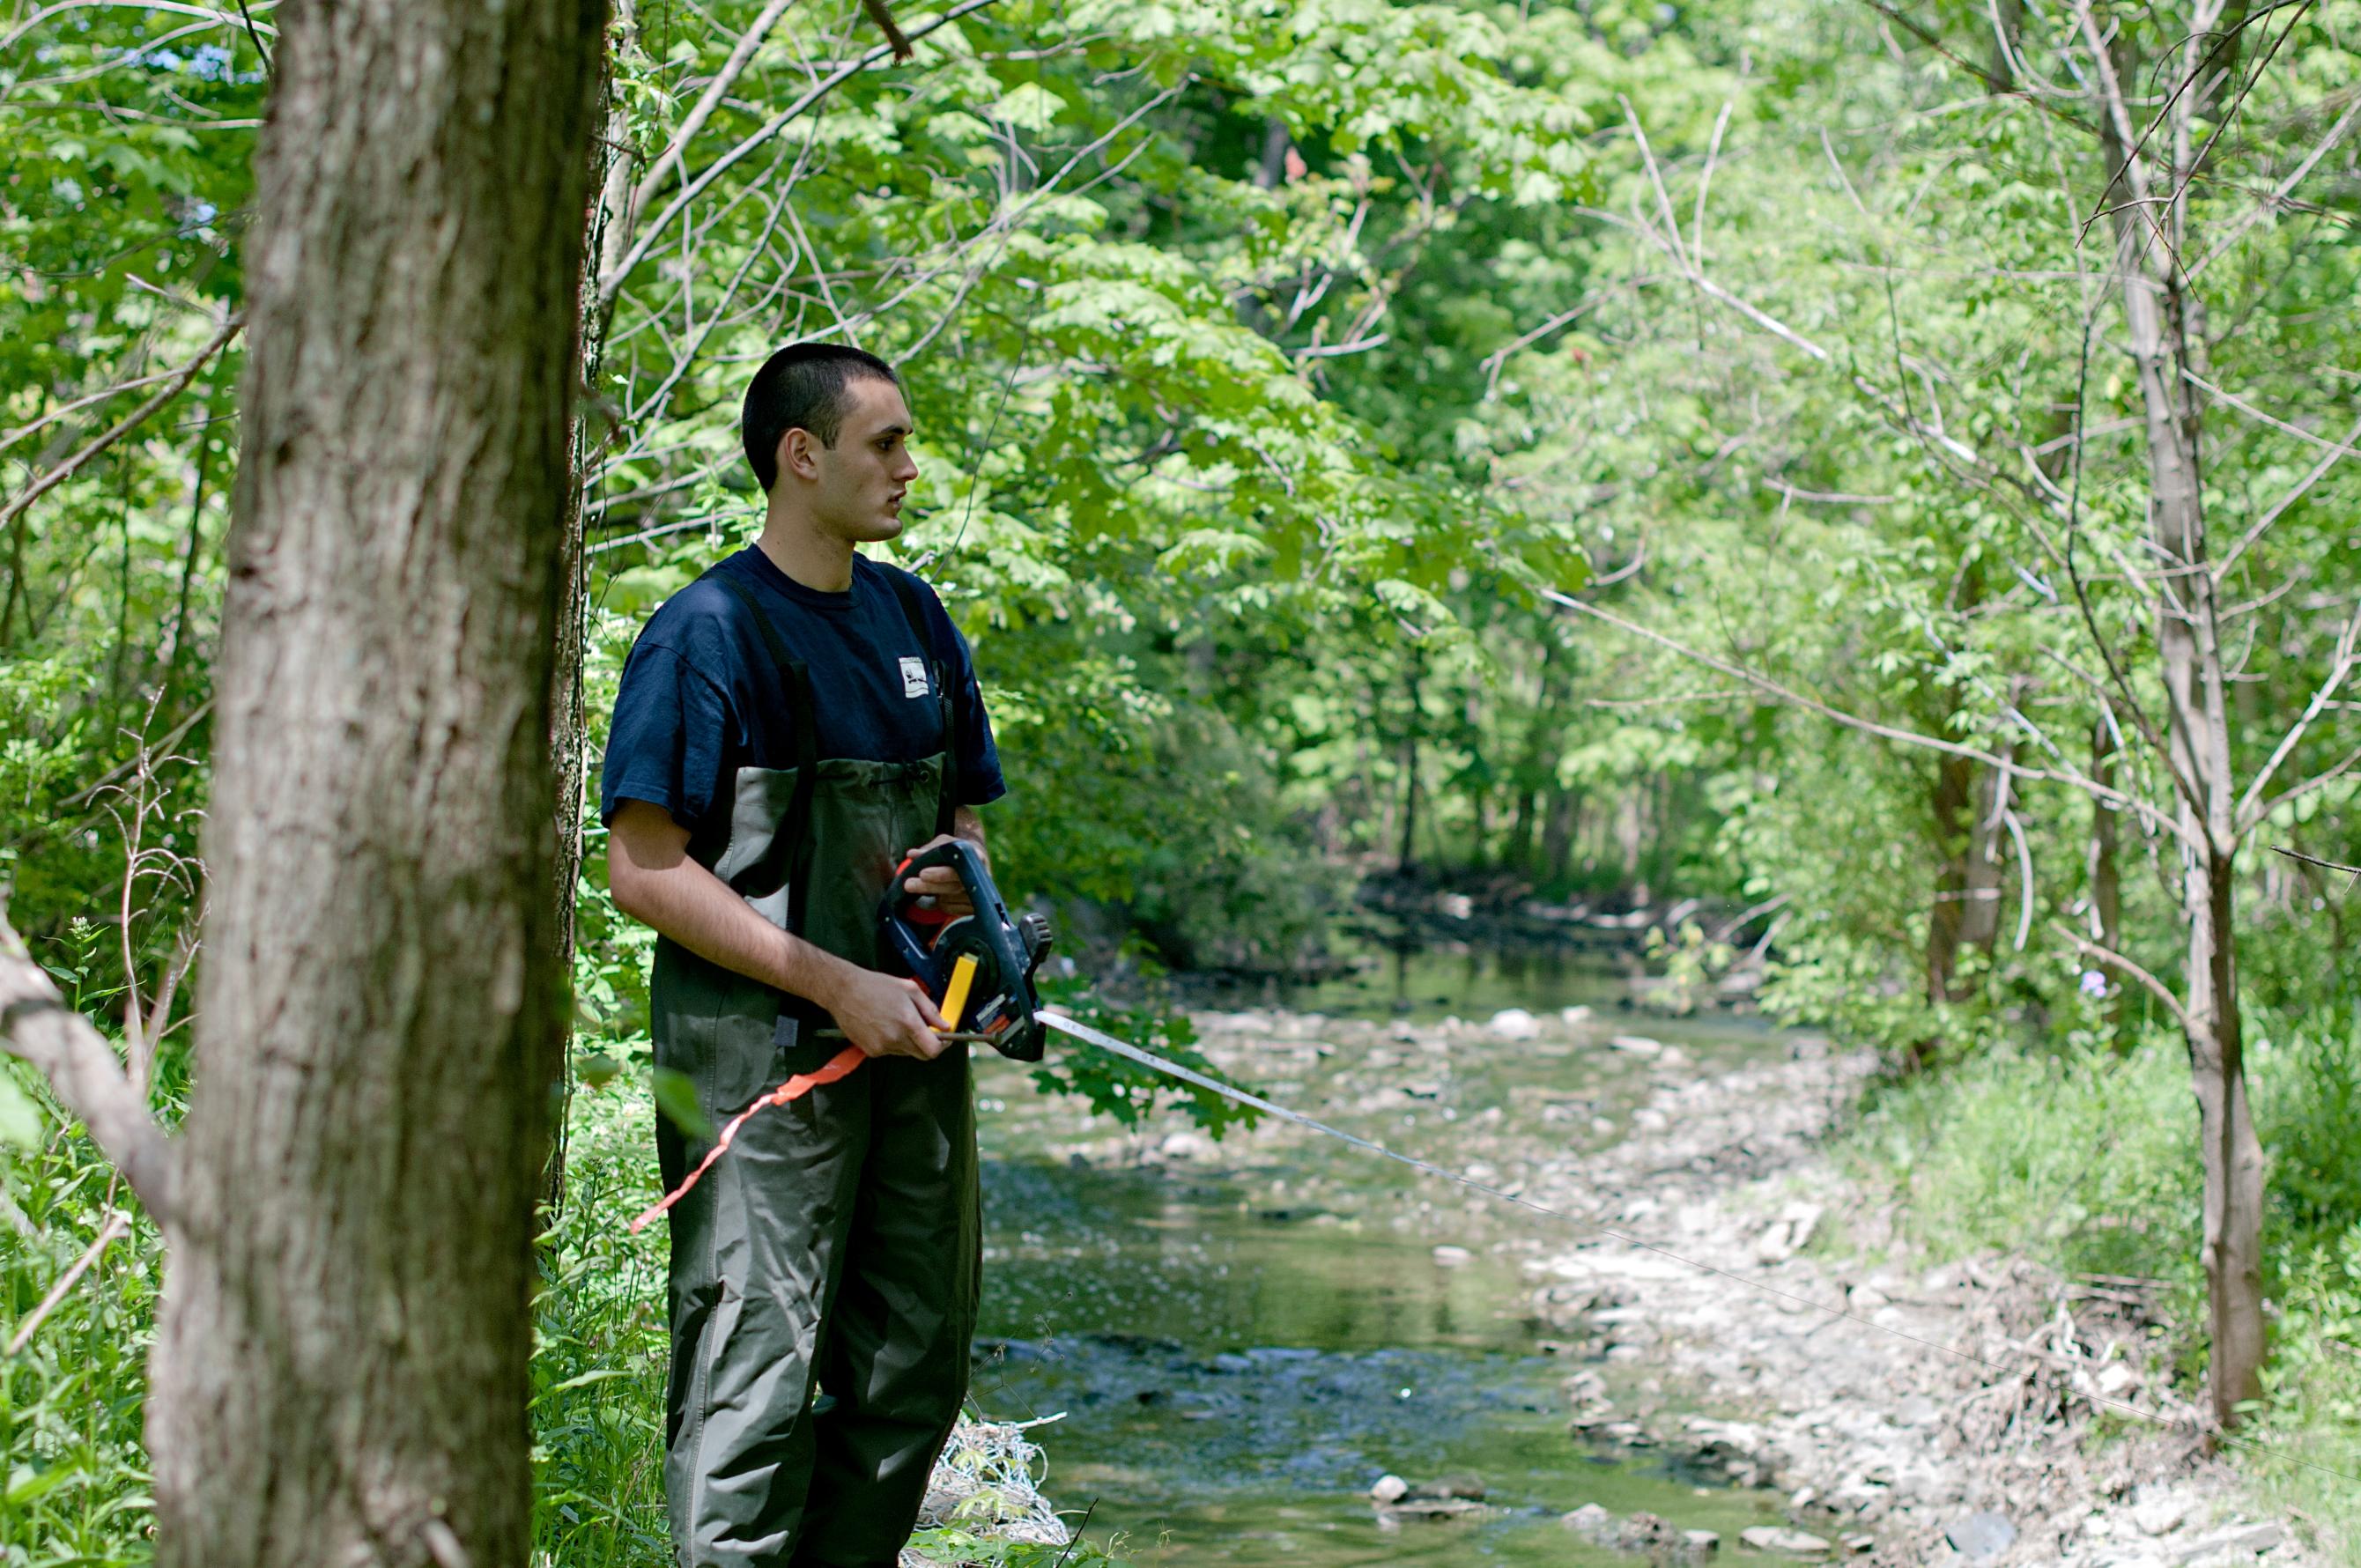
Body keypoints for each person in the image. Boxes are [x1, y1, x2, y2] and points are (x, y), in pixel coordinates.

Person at [600, 343, 1006, 1567]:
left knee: (911, 1371)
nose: (909, 466)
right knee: (755, 1384)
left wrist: (968, 942)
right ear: (802, 455)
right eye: (886, 442)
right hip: (763, 1074)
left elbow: (963, 823)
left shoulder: (914, 616)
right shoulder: (707, 635)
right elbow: (645, 867)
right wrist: (836, 983)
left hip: (915, 1060)